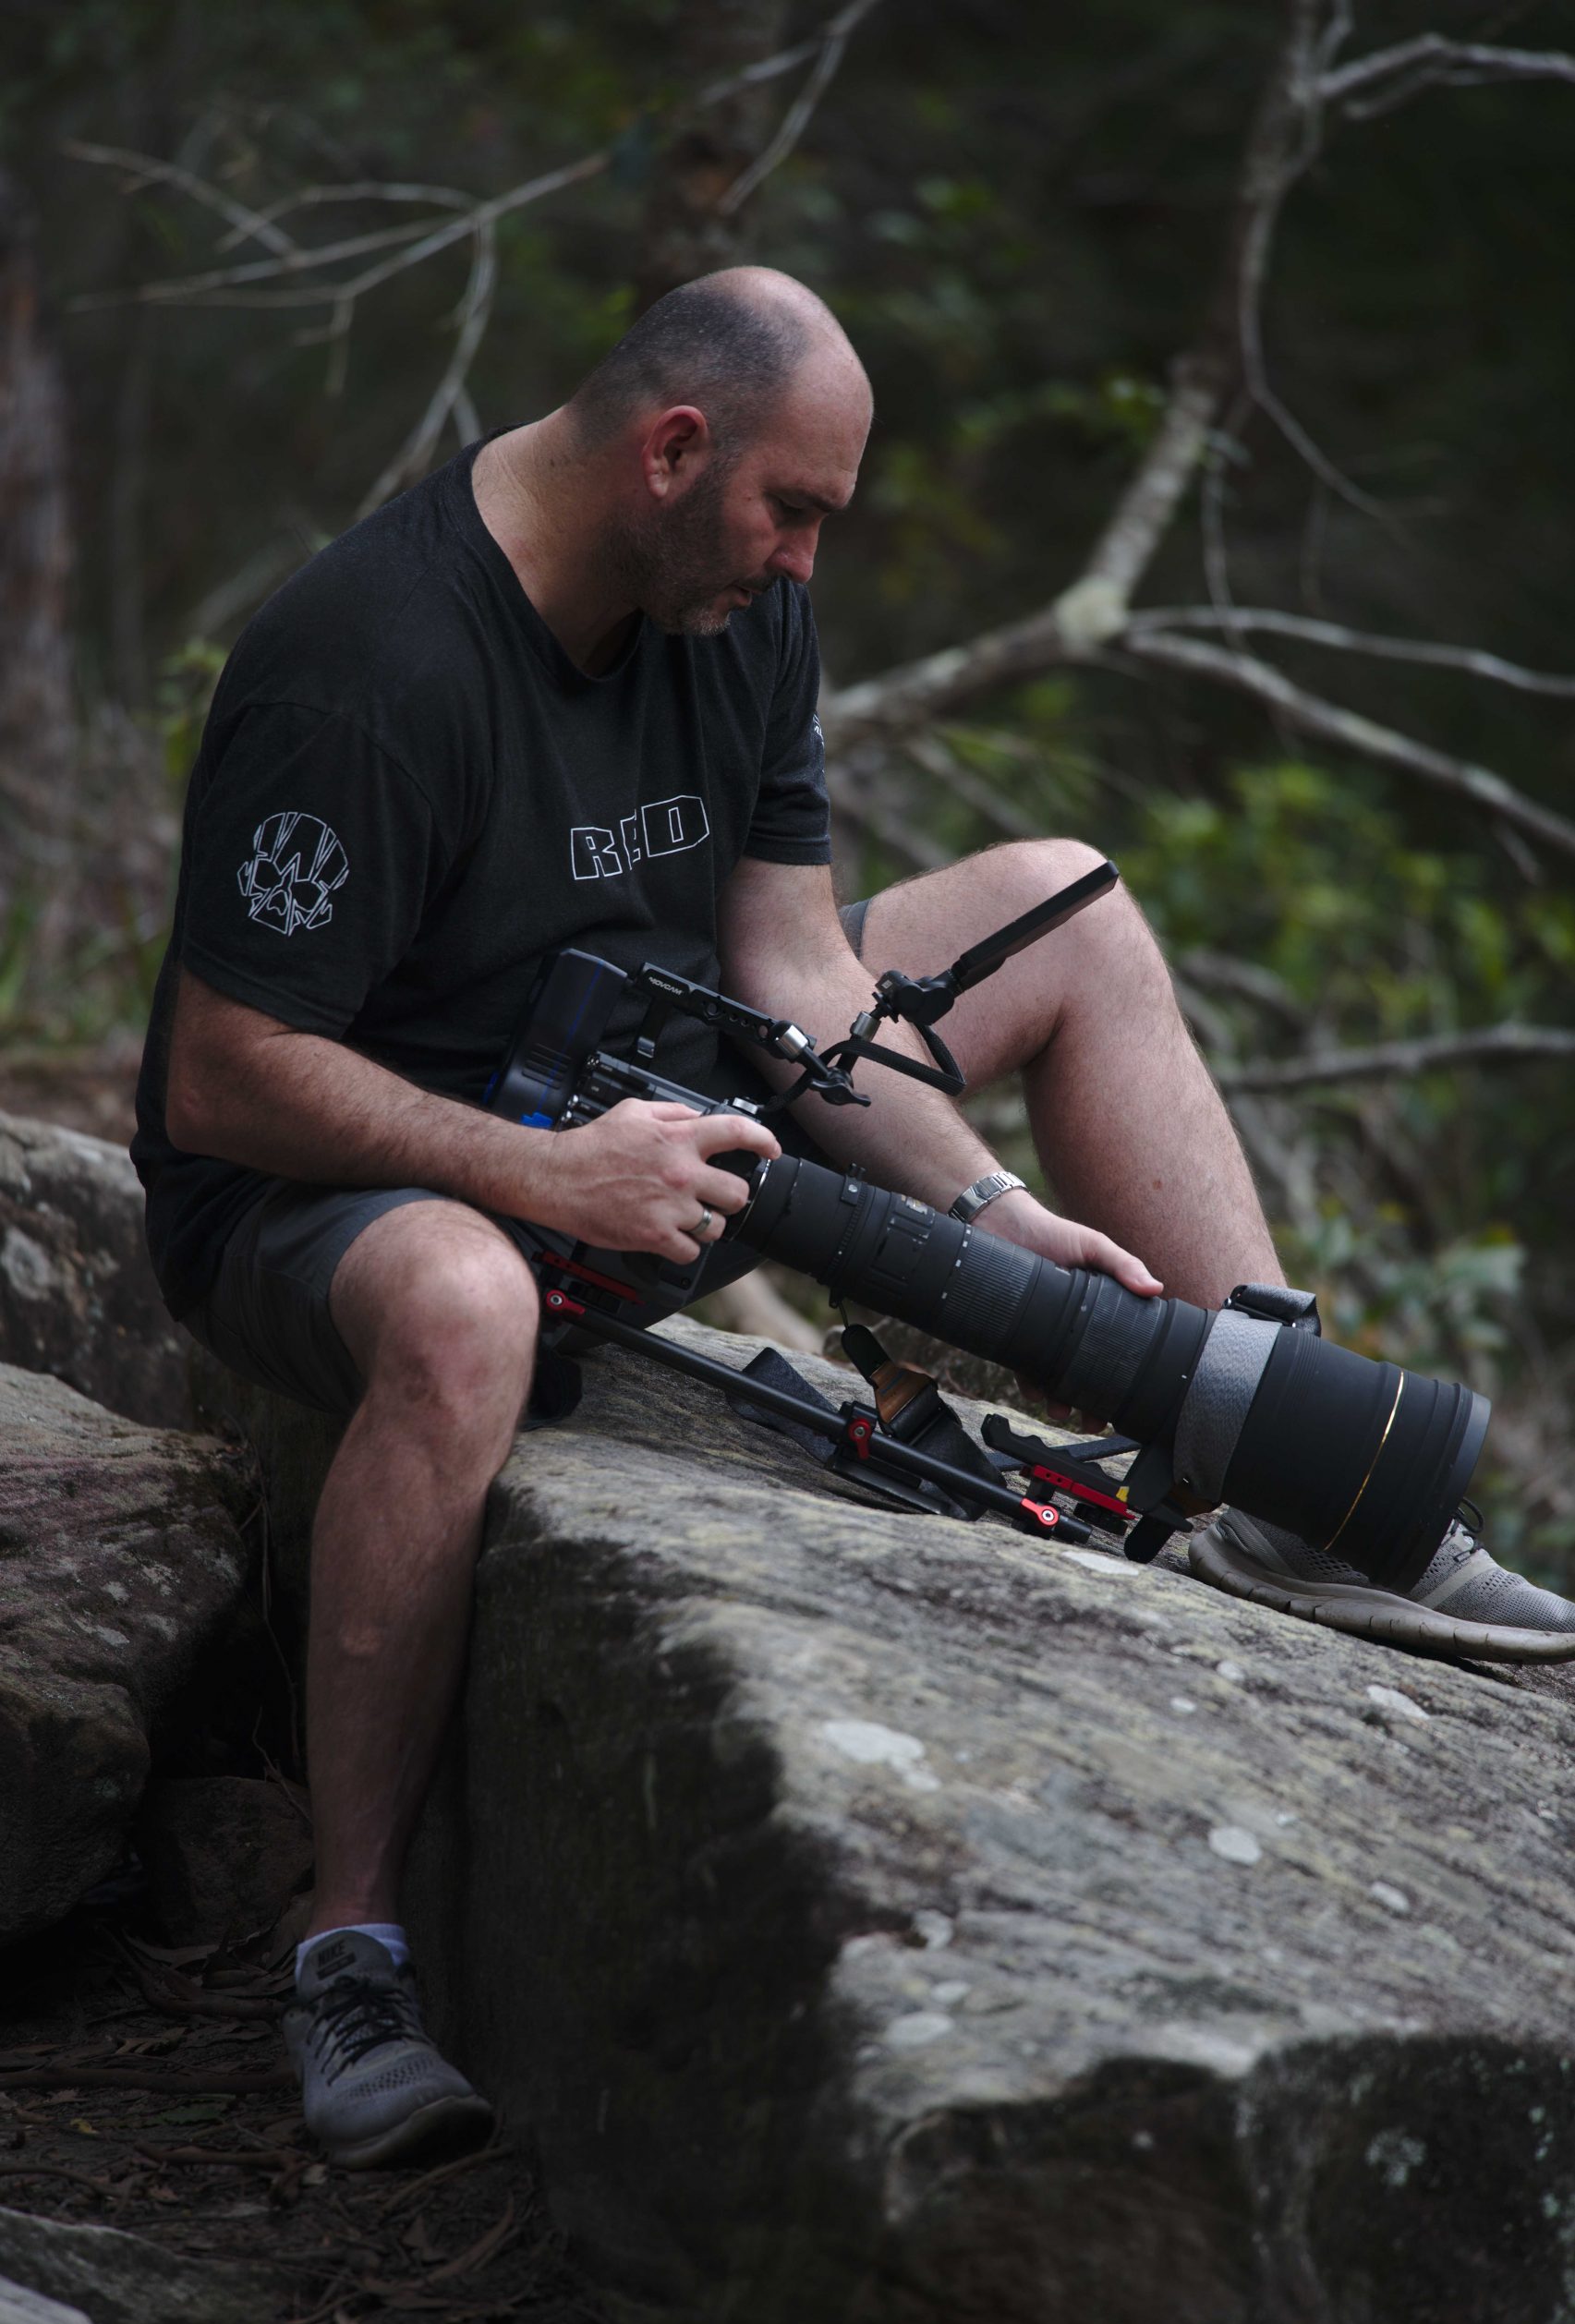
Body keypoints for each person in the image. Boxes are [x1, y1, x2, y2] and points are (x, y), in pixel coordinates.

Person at [131, 265, 1575, 2172]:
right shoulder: (368, 659)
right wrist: (540, 1173)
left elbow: (791, 966)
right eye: (790, 508)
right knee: (472, 1302)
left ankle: (1269, 1447)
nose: (804, 559)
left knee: (1066, 899)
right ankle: (357, 1943)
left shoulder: (729, 608)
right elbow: (220, 1073)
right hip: (358, 1186)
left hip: (665, 1107)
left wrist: (982, 1204)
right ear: (671, 449)